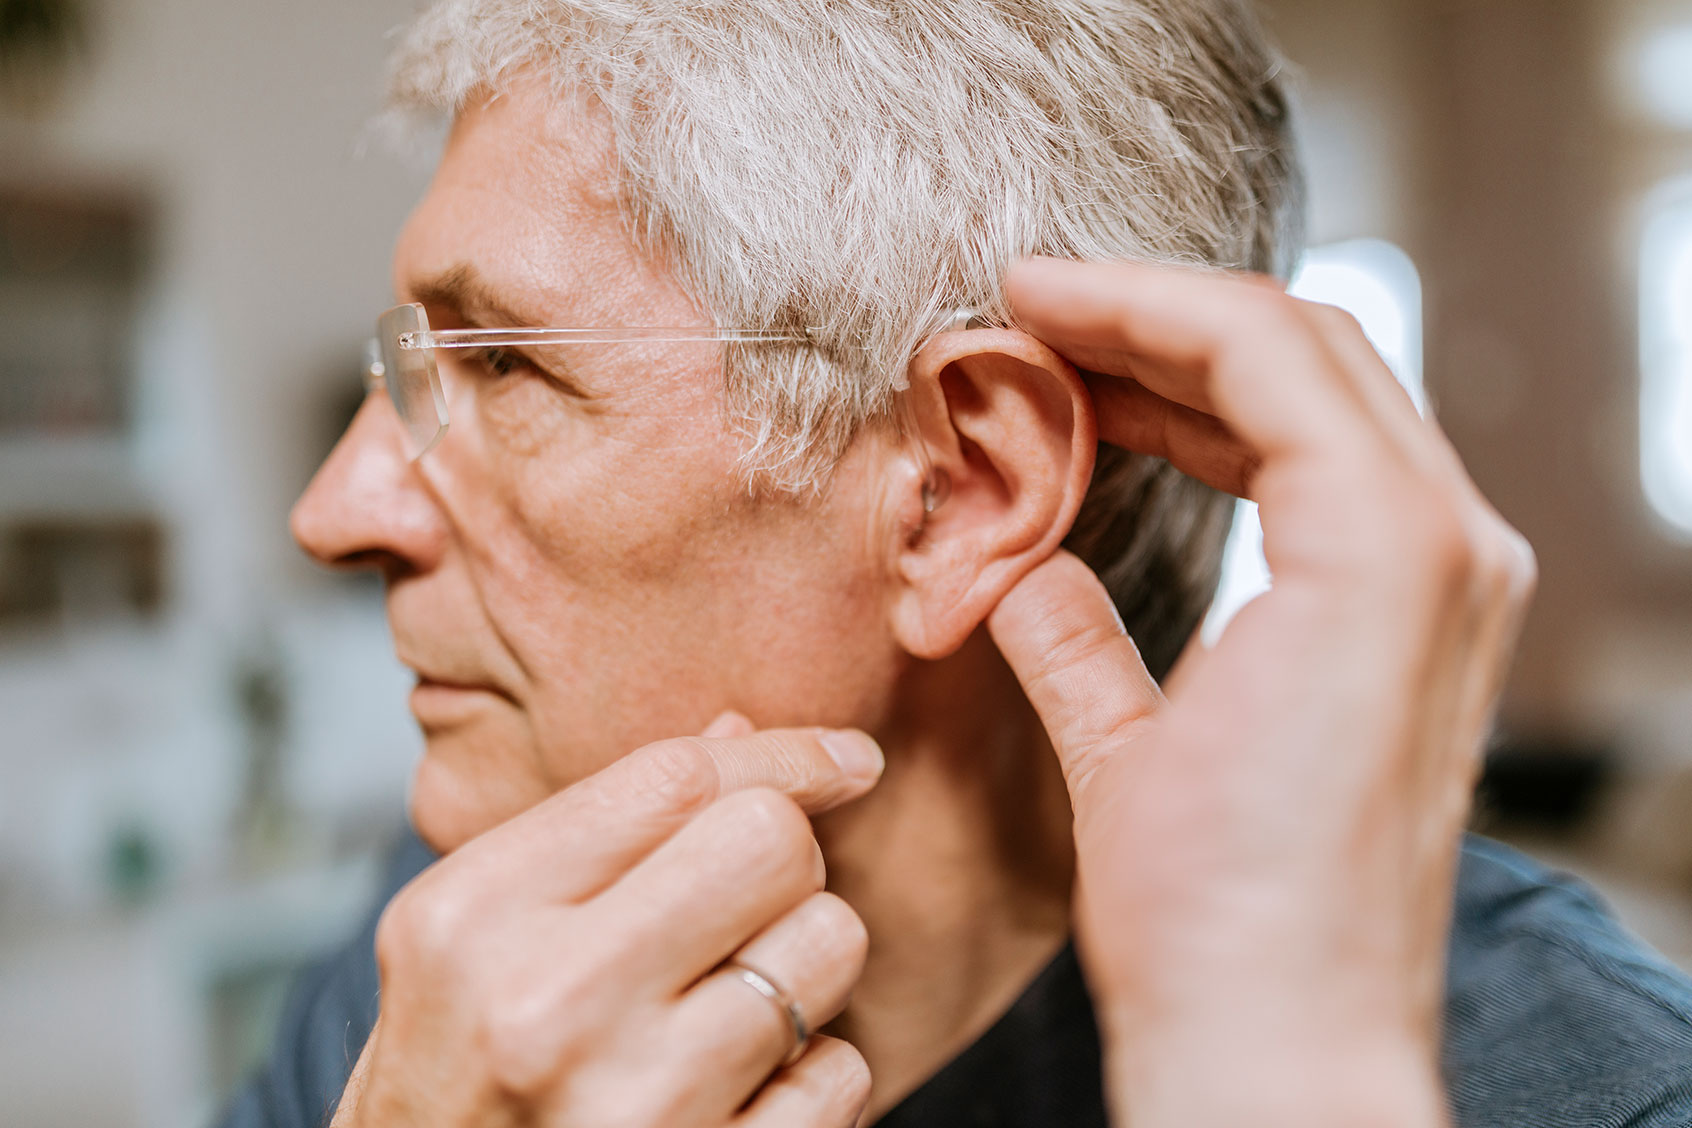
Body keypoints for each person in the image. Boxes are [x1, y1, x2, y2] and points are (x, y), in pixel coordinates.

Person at [225, 2, 1692, 1126]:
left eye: (504, 365)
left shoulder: (1590, 1091)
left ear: (957, 489)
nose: (336, 510)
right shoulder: (471, 955)